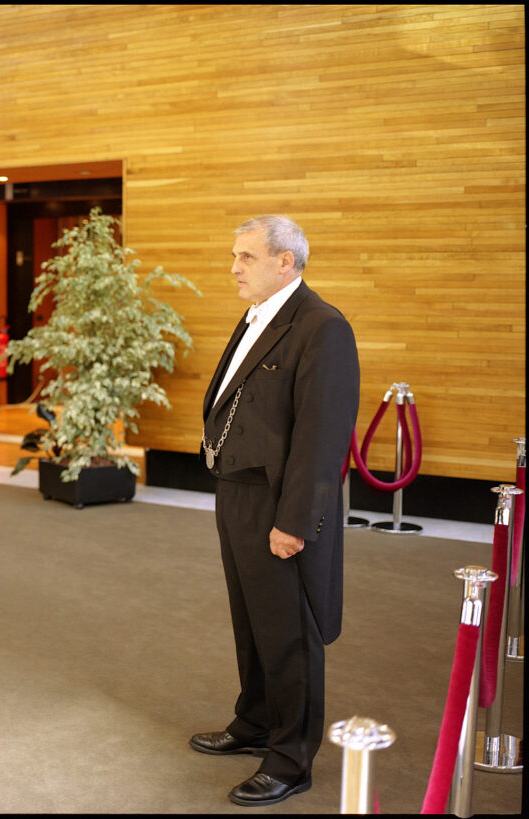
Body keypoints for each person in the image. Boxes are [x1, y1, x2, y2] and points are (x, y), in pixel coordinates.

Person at [192, 215, 359, 806]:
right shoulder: (256, 316)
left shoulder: (322, 327)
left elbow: (322, 438)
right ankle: (256, 721)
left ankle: (291, 758)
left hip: (279, 504)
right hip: (237, 491)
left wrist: (294, 521)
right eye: (234, 256)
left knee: (288, 632)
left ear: (286, 261)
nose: (234, 268)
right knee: (252, 619)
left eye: (246, 257)